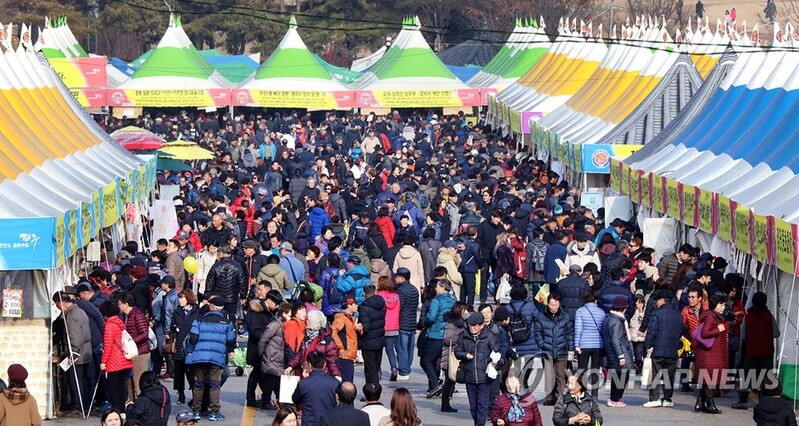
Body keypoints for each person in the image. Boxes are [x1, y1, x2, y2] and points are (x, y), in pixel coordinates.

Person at [185, 296, 236, 422]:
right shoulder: (226, 322)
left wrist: (190, 351)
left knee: (198, 385)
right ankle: (214, 412)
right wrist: (230, 351)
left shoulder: (199, 319)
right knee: (214, 386)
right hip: (217, 357)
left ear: (211, 306)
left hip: (199, 357)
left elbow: (193, 338)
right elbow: (231, 340)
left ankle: (196, 411)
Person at [455, 312, 500, 426]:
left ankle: (480, 424)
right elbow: (457, 352)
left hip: (485, 377)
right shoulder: (463, 336)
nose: (473, 328)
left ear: (481, 325)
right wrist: (465, 355)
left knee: (482, 404)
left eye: (475, 326)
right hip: (469, 376)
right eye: (471, 325)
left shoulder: (490, 336)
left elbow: (498, 353)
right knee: (473, 406)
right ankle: (477, 423)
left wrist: (494, 362)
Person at [53, 291, 94, 416]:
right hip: (85, 351)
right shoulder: (80, 311)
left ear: (61, 303)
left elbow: (75, 337)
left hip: (77, 354)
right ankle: (83, 405)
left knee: (75, 381)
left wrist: (73, 354)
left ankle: (78, 407)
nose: (56, 307)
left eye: (56, 304)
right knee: (82, 381)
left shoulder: (71, 317)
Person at [738, 292, 780, 410]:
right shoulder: (769, 316)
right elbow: (776, 333)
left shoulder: (748, 316)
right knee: (766, 378)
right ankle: (764, 402)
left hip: (751, 352)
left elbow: (743, 335)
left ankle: (743, 400)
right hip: (766, 352)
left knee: (747, 376)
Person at [643, 289, 683, 408]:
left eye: (657, 300)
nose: (656, 303)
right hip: (672, 350)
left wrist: (647, 345)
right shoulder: (678, 314)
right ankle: (667, 399)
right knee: (669, 376)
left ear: (662, 300)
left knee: (655, 375)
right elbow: (681, 331)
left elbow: (651, 331)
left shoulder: (656, 313)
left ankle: (654, 398)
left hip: (658, 350)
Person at [533, 293, 574, 405]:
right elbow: (537, 332)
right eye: (552, 305)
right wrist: (541, 344)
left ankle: (559, 397)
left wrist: (571, 349)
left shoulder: (565, 317)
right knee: (548, 375)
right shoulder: (541, 316)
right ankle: (549, 397)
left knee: (560, 375)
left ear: (559, 304)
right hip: (547, 350)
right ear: (548, 304)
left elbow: (570, 334)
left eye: (556, 305)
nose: (554, 307)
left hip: (561, 350)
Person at [694, 293, 729, 414]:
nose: (723, 307)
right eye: (721, 304)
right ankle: (710, 404)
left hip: (710, 353)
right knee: (710, 379)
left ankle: (700, 402)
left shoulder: (714, 316)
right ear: (715, 305)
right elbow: (705, 333)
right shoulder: (711, 318)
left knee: (707, 378)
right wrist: (720, 329)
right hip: (710, 353)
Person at [422, 280, 456, 398]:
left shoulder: (437, 300)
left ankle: (435, 384)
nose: (436, 289)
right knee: (443, 362)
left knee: (427, 360)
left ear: (442, 287)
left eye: (437, 287)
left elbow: (431, 317)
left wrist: (424, 323)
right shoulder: (453, 301)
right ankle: (448, 388)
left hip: (435, 334)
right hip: (448, 334)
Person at [286, 310, 342, 379]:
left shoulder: (326, 339)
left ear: (315, 323)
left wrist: (336, 374)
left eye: (309, 321)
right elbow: (299, 354)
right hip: (304, 374)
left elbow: (332, 360)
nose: (306, 322)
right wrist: (291, 365)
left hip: (320, 376)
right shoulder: (306, 337)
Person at [99, 301, 132, 412]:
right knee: (121, 387)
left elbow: (108, 346)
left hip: (114, 361)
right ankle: (122, 411)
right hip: (124, 359)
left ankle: (116, 410)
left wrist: (103, 362)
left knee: (112, 388)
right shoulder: (120, 323)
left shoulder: (109, 326)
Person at [258, 291, 288, 411]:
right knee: (271, 380)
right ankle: (265, 401)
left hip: (277, 357)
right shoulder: (275, 324)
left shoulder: (284, 324)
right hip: (272, 356)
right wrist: (262, 354)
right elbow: (263, 339)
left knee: (276, 381)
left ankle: (278, 400)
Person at [292, 351, 340, 426]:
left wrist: (306, 379)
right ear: (324, 364)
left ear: (309, 365)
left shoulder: (303, 383)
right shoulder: (334, 382)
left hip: (310, 422)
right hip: (329, 422)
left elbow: (295, 399)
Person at [603, 296, 634, 407]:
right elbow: (616, 339)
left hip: (611, 352)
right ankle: (614, 399)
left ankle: (613, 398)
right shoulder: (617, 322)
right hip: (619, 353)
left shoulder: (608, 319)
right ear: (624, 308)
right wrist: (621, 356)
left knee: (617, 376)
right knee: (622, 376)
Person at [245, 282, 273, 408]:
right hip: (257, 346)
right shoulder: (256, 308)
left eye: (261, 290)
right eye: (258, 290)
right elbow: (253, 328)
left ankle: (257, 398)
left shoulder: (271, 308)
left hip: (264, 346)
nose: (259, 292)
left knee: (258, 373)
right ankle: (255, 398)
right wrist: (266, 337)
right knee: (258, 372)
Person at [573, 290, 605, 398]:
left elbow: (578, 329)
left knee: (582, 369)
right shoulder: (601, 312)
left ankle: (582, 392)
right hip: (598, 344)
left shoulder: (580, 311)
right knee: (595, 369)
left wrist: (576, 345)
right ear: (595, 300)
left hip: (584, 343)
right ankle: (594, 395)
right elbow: (603, 329)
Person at [170, 289, 199, 405]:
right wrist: (175, 327)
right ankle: (180, 394)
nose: (180, 301)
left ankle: (194, 394)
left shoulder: (197, 311)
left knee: (192, 372)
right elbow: (172, 325)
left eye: (182, 298)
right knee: (178, 372)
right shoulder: (177, 311)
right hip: (179, 343)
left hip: (191, 344)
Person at [441, 301, 468, 413]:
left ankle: (447, 401)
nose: (466, 312)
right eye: (464, 310)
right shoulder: (451, 323)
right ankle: (445, 403)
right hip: (450, 355)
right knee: (449, 380)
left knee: (452, 380)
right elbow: (448, 339)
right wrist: (461, 337)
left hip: (458, 354)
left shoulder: (464, 322)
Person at [205, 245, 248, 316]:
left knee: (217, 317)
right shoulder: (237, 266)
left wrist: (207, 296)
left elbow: (209, 283)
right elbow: (242, 282)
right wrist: (243, 296)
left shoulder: (216, 266)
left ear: (221, 253)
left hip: (218, 298)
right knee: (231, 317)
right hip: (232, 298)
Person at [359, 284, 387, 385]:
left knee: (370, 368)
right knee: (376, 365)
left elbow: (365, 327)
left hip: (368, 341)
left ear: (364, 294)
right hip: (379, 339)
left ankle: (372, 390)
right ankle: (375, 386)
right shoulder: (382, 303)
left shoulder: (364, 307)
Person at [395, 268, 419, 381]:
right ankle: (407, 368)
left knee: (402, 348)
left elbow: (400, 307)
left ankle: (403, 371)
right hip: (412, 322)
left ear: (401, 278)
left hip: (403, 322)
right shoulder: (414, 289)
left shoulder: (400, 291)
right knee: (409, 349)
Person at [376, 276, 401, 381]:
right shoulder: (396, 296)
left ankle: (378, 371)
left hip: (381, 326)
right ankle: (394, 369)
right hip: (393, 327)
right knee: (390, 350)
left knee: (378, 351)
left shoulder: (378, 296)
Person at [332, 297, 360, 383]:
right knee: (347, 382)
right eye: (354, 304)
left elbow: (347, 330)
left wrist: (357, 328)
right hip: (345, 355)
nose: (357, 306)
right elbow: (333, 332)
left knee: (348, 380)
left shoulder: (349, 318)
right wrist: (340, 347)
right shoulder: (341, 318)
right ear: (348, 305)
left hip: (349, 355)